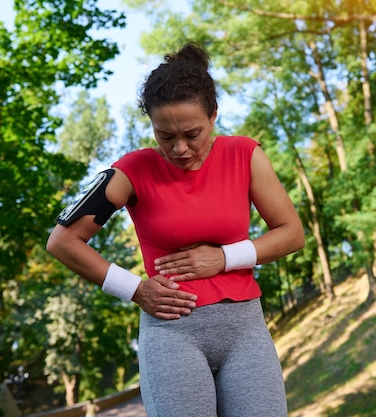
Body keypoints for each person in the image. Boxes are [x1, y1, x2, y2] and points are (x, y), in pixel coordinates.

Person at [47, 41, 305, 417]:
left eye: (192, 134)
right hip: (172, 335)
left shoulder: (245, 154)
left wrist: (222, 258)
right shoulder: (131, 171)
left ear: (213, 116)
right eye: (165, 136)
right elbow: (63, 240)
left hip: (244, 330)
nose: (180, 148)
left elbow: (291, 233)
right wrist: (135, 289)